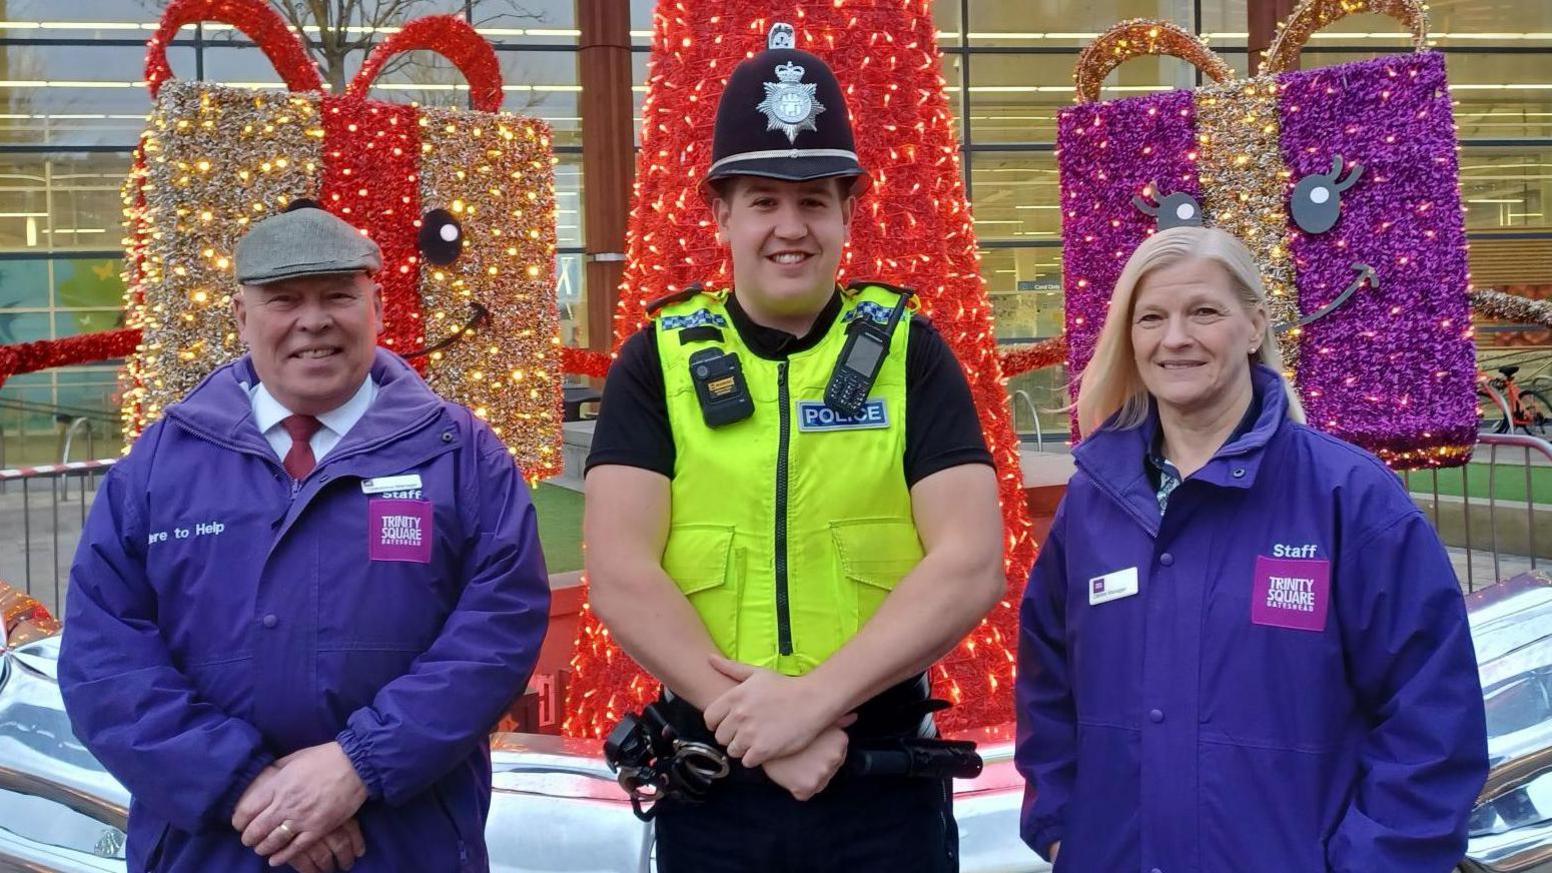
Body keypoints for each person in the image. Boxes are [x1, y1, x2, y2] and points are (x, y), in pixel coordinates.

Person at [583, 23, 1005, 873]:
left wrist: (812, 703)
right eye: (764, 199)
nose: (791, 226)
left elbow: (969, 562)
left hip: (881, 786)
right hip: (715, 781)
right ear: (721, 214)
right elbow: (621, 570)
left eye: (814, 199)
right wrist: (759, 729)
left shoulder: (911, 354)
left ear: (848, 211)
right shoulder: (656, 359)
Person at [59, 204, 551, 873]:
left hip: (405, 844)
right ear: (239, 315)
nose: (313, 320)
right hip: (214, 846)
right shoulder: (161, 463)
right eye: (284, 299)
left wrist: (358, 766)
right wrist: (247, 787)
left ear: (375, 306)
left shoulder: (460, 455)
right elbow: (104, 654)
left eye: (338, 296)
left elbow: (498, 632)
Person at [1015, 225, 1489, 872]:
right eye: (1151, 316)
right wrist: (1065, 827)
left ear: (1256, 325)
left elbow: (1432, 718)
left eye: (1203, 311)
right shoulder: (1095, 505)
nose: (1174, 337)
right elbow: (1048, 686)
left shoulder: (1350, 500)